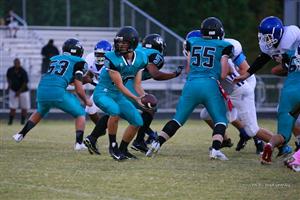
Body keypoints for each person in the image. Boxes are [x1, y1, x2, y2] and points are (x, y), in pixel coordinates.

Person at [146, 17, 232, 160]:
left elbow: (188, 68)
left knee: (177, 119)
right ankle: (215, 150)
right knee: (220, 120)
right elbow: (223, 74)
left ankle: (157, 143)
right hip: (210, 85)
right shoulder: (224, 45)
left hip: (191, 84)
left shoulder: (192, 42)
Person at [84, 34, 184, 155]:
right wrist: (174, 74)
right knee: (149, 109)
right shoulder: (152, 54)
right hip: (125, 84)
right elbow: (155, 74)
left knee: (117, 112)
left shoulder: (139, 51)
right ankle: (139, 141)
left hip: (121, 83)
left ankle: (93, 137)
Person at [234, 16, 300, 164]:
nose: (265, 40)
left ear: (278, 33)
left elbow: (282, 58)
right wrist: (247, 73)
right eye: (263, 36)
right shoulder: (282, 48)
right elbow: (263, 58)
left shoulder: (290, 36)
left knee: (287, 125)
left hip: (290, 88)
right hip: (294, 77)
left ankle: (270, 145)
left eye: (268, 36)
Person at [12, 38, 92, 151]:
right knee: (80, 113)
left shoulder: (55, 59)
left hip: (42, 89)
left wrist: (84, 80)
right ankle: (78, 143)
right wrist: (86, 100)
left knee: (40, 111)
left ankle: (20, 134)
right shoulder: (79, 62)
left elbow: (65, 79)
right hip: (57, 91)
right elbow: (77, 88)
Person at [90, 26, 148, 160]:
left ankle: (123, 149)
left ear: (132, 43)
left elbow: (137, 84)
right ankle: (113, 147)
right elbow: (120, 85)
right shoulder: (112, 58)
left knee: (137, 121)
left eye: (124, 43)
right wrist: (136, 98)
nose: (119, 45)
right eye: (118, 42)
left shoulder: (141, 58)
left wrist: (143, 97)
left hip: (117, 95)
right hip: (103, 93)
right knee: (114, 111)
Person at [83, 40, 112, 124]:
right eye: (98, 53)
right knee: (90, 109)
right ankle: (100, 129)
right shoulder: (90, 58)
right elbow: (89, 74)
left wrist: (91, 81)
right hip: (101, 89)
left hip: (115, 90)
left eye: (103, 54)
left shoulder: (112, 62)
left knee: (125, 113)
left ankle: (148, 132)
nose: (100, 56)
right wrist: (85, 78)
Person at [6, 58, 30, 125]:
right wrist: (9, 85)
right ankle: (10, 121)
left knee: (24, 107)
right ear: (14, 63)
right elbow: (8, 77)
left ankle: (22, 121)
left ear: (20, 63)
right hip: (13, 90)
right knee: (13, 107)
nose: (17, 64)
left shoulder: (23, 71)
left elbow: (25, 82)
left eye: (18, 63)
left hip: (23, 91)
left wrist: (19, 91)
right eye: (15, 63)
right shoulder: (10, 70)